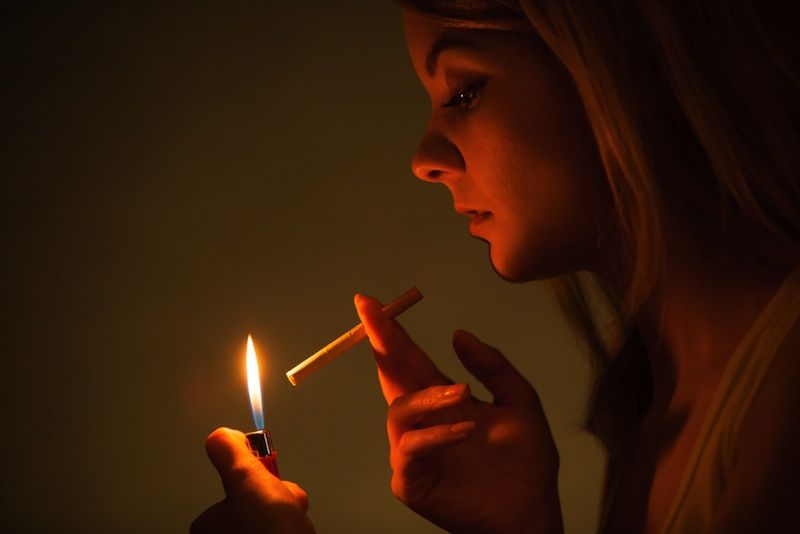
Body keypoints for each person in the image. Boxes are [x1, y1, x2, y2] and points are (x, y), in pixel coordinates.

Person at [191, 1, 800, 532]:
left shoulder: (784, 393)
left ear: (617, 64)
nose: (423, 159)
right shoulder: (649, 394)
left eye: (462, 92)